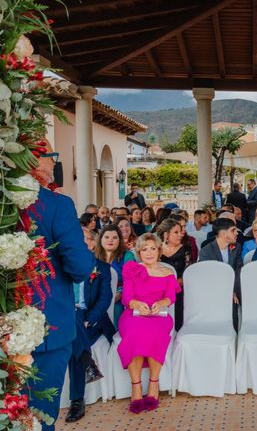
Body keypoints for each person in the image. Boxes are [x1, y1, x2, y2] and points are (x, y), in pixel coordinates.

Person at [28, 139, 95, 430]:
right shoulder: (56, 205)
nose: (54, 162)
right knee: (39, 414)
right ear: (32, 162)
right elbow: (80, 266)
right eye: (49, 156)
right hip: (46, 325)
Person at [117, 234, 181, 414]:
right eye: (144, 249)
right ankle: (136, 386)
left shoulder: (168, 273)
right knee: (136, 331)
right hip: (133, 314)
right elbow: (127, 297)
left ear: (159, 250)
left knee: (155, 332)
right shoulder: (132, 269)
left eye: (153, 248)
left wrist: (161, 304)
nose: (149, 253)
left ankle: (154, 383)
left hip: (158, 315)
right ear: (138, 252)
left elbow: (171, 297)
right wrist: (136, 304)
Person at [65, 257, 115, 423]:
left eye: (87, 239)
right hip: (65, 320)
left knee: (74, 336)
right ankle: (89, 363)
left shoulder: (101, 267)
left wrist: (89, 319)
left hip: (90, 321)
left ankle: (77, 400)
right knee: (72, 323)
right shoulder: (60, 265)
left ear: (93, 243)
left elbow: (105, 298)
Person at [199, 218, 243, 329]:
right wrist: (227, 291)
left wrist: (233, 291)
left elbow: (238, 271)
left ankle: (234, 334)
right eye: (233, 230)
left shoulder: (236, 247)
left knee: (235, 300)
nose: (237, 233)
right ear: (223, 234)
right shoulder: (206, 251)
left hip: (234, 290)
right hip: (213, 292)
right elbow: (209, 277)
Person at [95, 224, 136, 329]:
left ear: (120, 240)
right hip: (96, 295)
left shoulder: (128, 256)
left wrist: (120, 293)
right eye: (107, 237)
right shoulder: (93, 256)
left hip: (119, 296)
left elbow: (132, 280)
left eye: (115, 237)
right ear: (100, 239)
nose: (110, 240)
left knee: (116, 311)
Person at [157, 218, 192, 331]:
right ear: (166, 234)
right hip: (158, 290)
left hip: (179, 290)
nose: (180, 235)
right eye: (176, 232)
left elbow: (187, 273)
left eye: (180, 231)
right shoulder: (156, 249)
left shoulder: (186, 249)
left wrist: (171, 285)